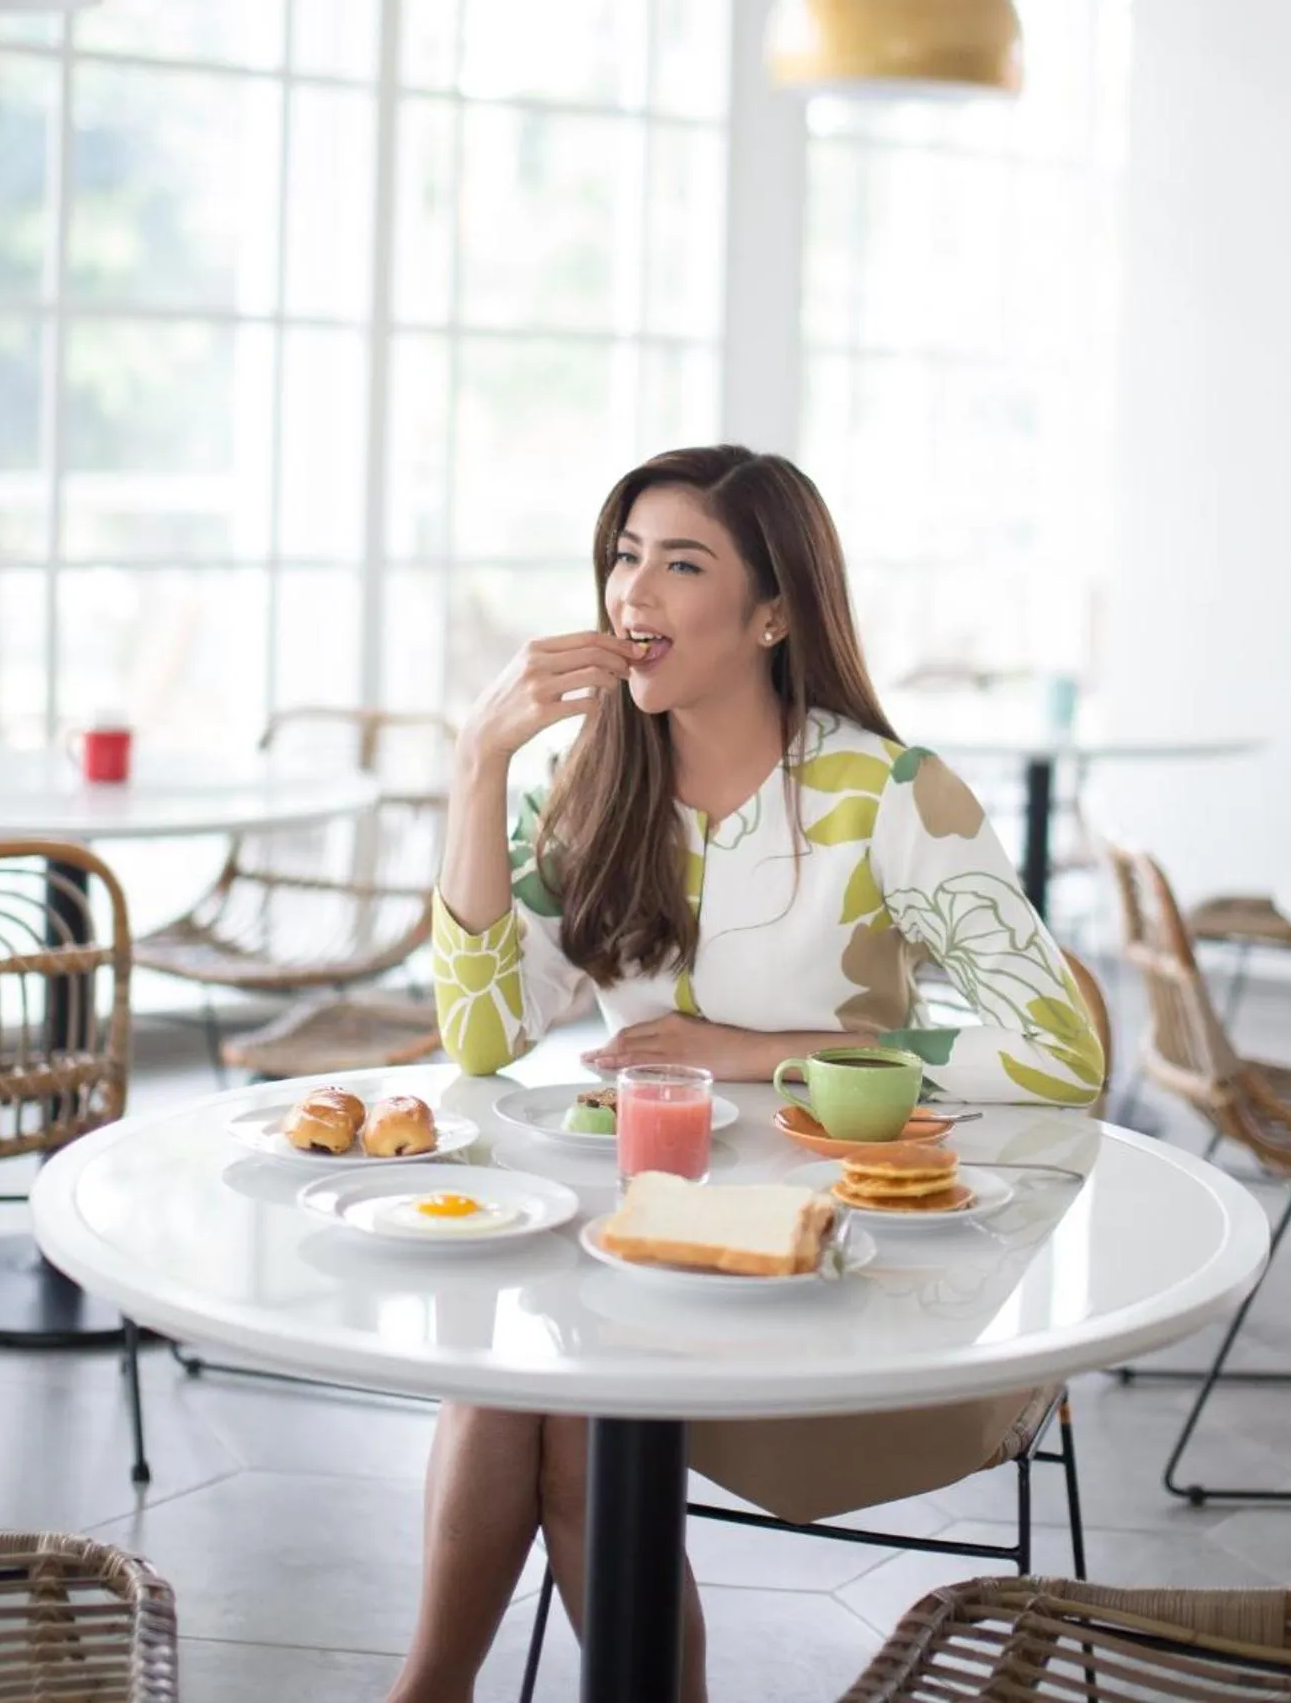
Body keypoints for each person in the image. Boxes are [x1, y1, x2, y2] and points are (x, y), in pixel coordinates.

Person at [386, 445, 1101, 1703]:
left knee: (559, 1391)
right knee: (523, 1384)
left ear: (772, 613)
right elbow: (485, 1036)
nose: (631, 593)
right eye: (622, 557)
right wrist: (476, 765)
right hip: (652, 1269)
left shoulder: (885, 794)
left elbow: (1059, 1051)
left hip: (865, 1289)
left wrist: (762, 1058)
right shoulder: (592, 782)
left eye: (680, 563)